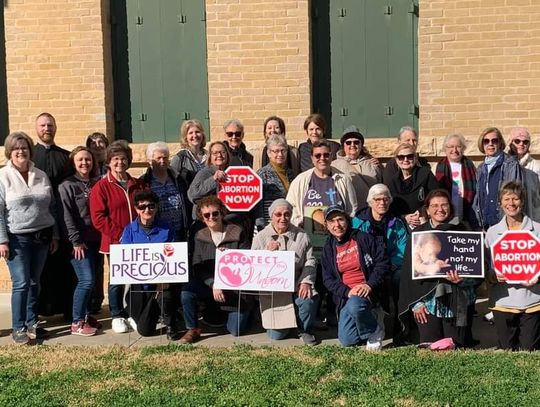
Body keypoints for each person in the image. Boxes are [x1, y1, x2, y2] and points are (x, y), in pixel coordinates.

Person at [0, 132, 59, 344]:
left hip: (42, 236)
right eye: (16, 148)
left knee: (35, 283)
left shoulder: (41, 175)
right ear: (9, 151)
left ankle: (32, 323)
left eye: (24, 148)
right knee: (21, 283)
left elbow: (51, 206)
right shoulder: (3, 176)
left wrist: (54, 235)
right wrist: (2, 240)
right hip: (16, 239)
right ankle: (18, 327)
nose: (21, 151)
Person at [398, 189, 476, 348]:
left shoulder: (464, 230)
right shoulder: (418, 234)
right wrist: (416, 303)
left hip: (457, 300)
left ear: (450, 207)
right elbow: (408, 273)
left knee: (455, 348)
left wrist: (464, 279)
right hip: (427, 303)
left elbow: (476, 266)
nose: (440, 209)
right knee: (430, 349)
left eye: (444, 205)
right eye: (434, 206)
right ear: (427, 210)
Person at [89, 140, 146, 334]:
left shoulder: (137, 184)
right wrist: (121, 235)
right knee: (117, 279)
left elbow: (146, 209)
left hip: (139, 240)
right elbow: (98, 218)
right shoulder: (102, 187)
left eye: (123, 158)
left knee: (138, 278)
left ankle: (134, 312)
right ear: (108, 162)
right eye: (115, 159)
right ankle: (117, 314)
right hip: (116, 242)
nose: (120, 162)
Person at [180, 195, 252, 343]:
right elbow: (197, 265)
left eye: (215, 213)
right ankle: (192, 328)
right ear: (202, 217)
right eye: (207, 215)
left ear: (222, 213)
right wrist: (213, 283)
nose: (211, 217)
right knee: (187, 292)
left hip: (234, 286)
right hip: (211, 284)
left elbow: (247, 260)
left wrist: (232, 258)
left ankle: (249, 310)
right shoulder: (199, 235)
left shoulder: (237, 232)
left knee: (236, 330)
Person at [321, 205, 390, 348]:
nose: (337, 225)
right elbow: (328, 279)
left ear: (347, 220)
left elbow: (382, 264)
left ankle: (374, 331)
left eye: (340, 219)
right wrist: (347, 292)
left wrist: (369, 284)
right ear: (326, 226)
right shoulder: (328, 248)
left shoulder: (363, 238)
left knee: (355, 305)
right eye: (332, 221)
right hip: (348, 295)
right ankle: (370, 317)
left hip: (368, 289)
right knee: (348, 340)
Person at [251, 199, 318, 345]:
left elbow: (310, 261)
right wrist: (266, 253)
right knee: (277, 336)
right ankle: (281, 321)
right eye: (278, 214)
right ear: (271, 216)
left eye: (287, 214)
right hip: (274, 292)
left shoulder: (302, 235)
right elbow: (254, 267)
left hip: (296, 284)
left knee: (308, 299)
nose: (283, 218)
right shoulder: (260, 237)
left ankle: (304, 329)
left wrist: (306, 281)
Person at [485, 181, 540, 351]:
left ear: (522, 201)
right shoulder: (492, 232)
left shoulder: (538, 230)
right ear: (500, 203)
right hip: (503, 300)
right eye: (506, 199)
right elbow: (485, 269)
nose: (511, 203)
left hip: (532, 300)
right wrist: (493, 276)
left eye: (515, 199)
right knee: (507, 352)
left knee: (529, 351)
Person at [121, 190, 182, 341]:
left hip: (163, 282)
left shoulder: (167, 229)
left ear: (156, 207)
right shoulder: (129, 230)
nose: (147, 210)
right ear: (136, 209)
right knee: (145, 331)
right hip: (140, 285)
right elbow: (126, 259)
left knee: (166, 295)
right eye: (142, 207)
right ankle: (156, 313)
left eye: (151, 206)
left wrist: (166, 278)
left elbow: (173, 256)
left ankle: (170, 323)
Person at [32, 112, 73, 318]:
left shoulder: (66, 157)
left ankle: (66, 308)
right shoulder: (29, 157)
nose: (47, 128)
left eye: (50, 125)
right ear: (36, 129)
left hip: (63, 219)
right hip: (38, 220)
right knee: (41, 269)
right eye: (42, 125)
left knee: (64, 266)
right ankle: (42, 310)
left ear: (55, 127)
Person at [353, 184, 408, 338]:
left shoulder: (396, 222)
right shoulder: (358, 223)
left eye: (385, 199)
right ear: (370, 202)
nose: (382, 203)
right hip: (367, 266)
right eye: (377, 199)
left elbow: (402, 249)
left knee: (400, 279)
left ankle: (401, 322)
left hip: (391, 265)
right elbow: (355, 249)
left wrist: (392, 265)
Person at [58, 146, 103, 336]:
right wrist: (75, 241)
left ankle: (85, 315)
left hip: (97, 240)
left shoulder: (97, 182)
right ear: (73, 163)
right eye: (80, 160)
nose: (85, 163)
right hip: (79, 243)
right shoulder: (66, 185)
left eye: (88, 159)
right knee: (86, 280)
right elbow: (66, 215)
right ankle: (76, 322)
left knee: (92, 281)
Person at [473, 127, 523, 230]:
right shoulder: (481, 168)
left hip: (505, 224)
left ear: (500, 143)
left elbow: (515, 195)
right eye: (486, 141)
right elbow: (479, 197)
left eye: (494, 141)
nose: (490, 144)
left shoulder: (510, 164)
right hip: (486, 225)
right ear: (482, 144)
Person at [140, 142, 189, 241]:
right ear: (150, 161)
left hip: (180, 233)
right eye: (158, 158)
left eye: (165, 158)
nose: (162, 161)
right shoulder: (144, 182)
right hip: (156, 234)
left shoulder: (178, 179)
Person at [387, 143, 440, 230]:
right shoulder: (392, 182)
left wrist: (422, 211)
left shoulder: (426, 174)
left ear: (415, 158)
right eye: (401, 157)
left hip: (424, 222)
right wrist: (404, 217)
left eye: (410, 156)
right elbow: (389, 208)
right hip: (401, 226)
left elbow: (436, 196)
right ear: (396, 160)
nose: (405, 159)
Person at [84, 132, 109, 313]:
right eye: (94, 144)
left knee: (115, 265)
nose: (98, 146)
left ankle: (111, 301)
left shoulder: (112, 166)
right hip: (92, 226)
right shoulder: (86, 169)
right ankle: (94, 300)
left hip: (111, 225)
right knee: (95, 266)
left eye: (101, 142)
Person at [434, 133, 478, 228]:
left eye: (458, 147)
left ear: (463, 148)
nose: (455, 150)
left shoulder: (470, 166)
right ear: (445, 149)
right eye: (451, 147)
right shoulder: (437, 167)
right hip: (444, 215)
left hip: (467, 214)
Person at [331, 126, 382, 206]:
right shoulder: (334, 165)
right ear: (343, 146)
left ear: (361, 145)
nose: (352, 145)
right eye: (348, 142)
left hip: (368, 210)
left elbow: (381, 186)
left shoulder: (372, 164)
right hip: (345, 210)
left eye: (356, 142)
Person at [254, 134, 295, 229]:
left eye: (283, 150)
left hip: (287, 223)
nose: (280, 154)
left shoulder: (290, 173)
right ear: (269, 153)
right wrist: (261, 227)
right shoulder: (262, 174)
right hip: (269, 225)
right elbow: (258, 205)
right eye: (276, 151)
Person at [507, 127, 540, 222]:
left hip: (531, 216)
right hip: (509, 215)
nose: (521, 144)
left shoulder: (536, 166)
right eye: (517, 141)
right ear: (511, 143)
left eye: (525, 142)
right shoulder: (504, 164)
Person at [170, 119, 208, 187]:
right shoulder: (180, 158)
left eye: (197, 132)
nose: (195, 135)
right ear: (186, 137)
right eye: (190, 133)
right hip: (188, 196)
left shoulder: (209, 156)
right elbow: (171, 180)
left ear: (202, 134)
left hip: (209, 196)